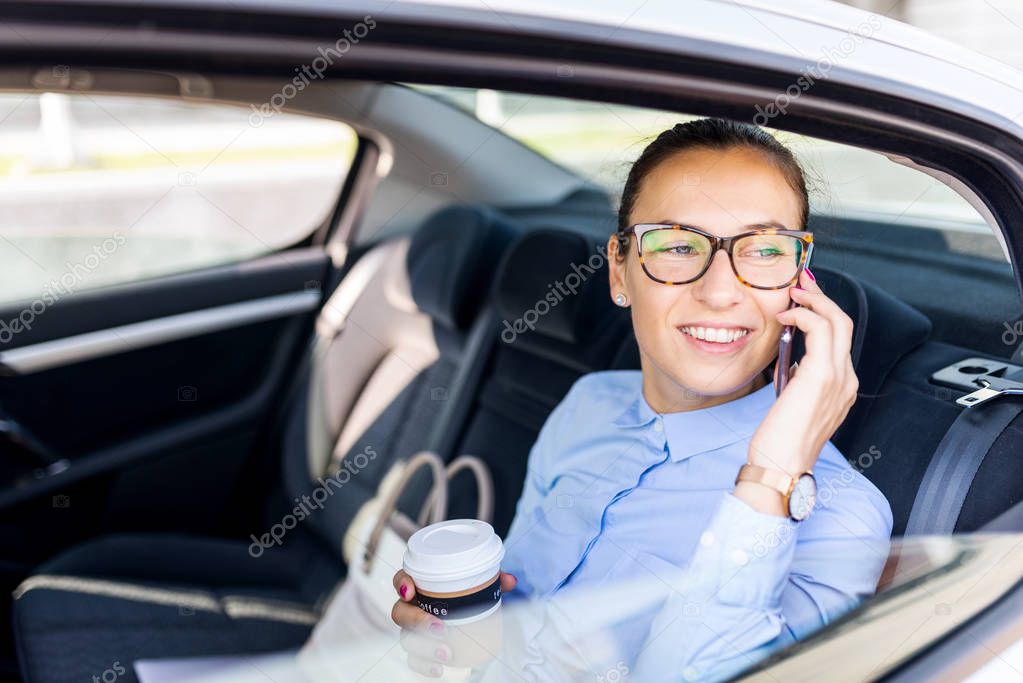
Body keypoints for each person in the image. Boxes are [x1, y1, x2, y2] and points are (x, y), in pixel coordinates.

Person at [389, 118, 893, 681]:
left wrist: (771, 478)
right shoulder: (587, 404)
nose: (722, 292)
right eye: (677, 245)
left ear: (800, 277)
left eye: (764, 250)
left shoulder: (843, 516)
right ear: (619, 270)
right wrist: (469, 638)